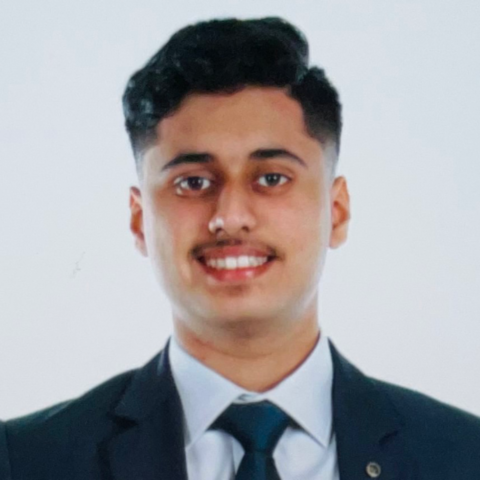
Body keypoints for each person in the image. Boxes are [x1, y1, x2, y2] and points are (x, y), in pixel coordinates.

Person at [1, 16, 479, 480]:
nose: (229, 216)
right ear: (139, 219)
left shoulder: (461, 456)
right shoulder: (27, 461)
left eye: (271, 178)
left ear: (336, 211)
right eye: (192, 182)